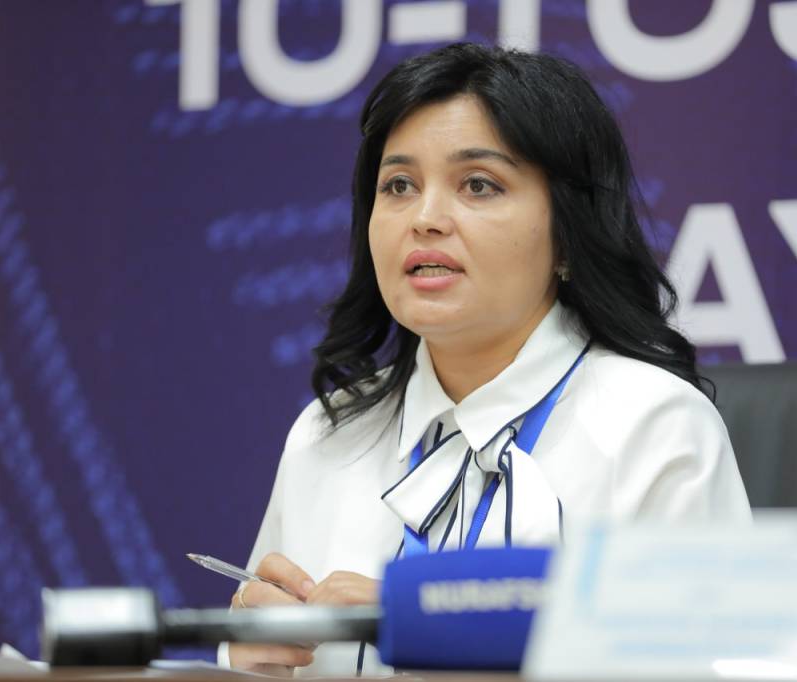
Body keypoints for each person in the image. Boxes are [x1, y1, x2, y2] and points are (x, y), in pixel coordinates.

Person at [221, 42, 751, 676]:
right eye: (399, 186)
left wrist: (435, 627)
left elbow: (714, 665)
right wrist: (246, 658)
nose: (425, 218)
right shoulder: (327, 433)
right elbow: (255, 653)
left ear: (568, 235)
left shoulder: (655, 426)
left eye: (478, 185)